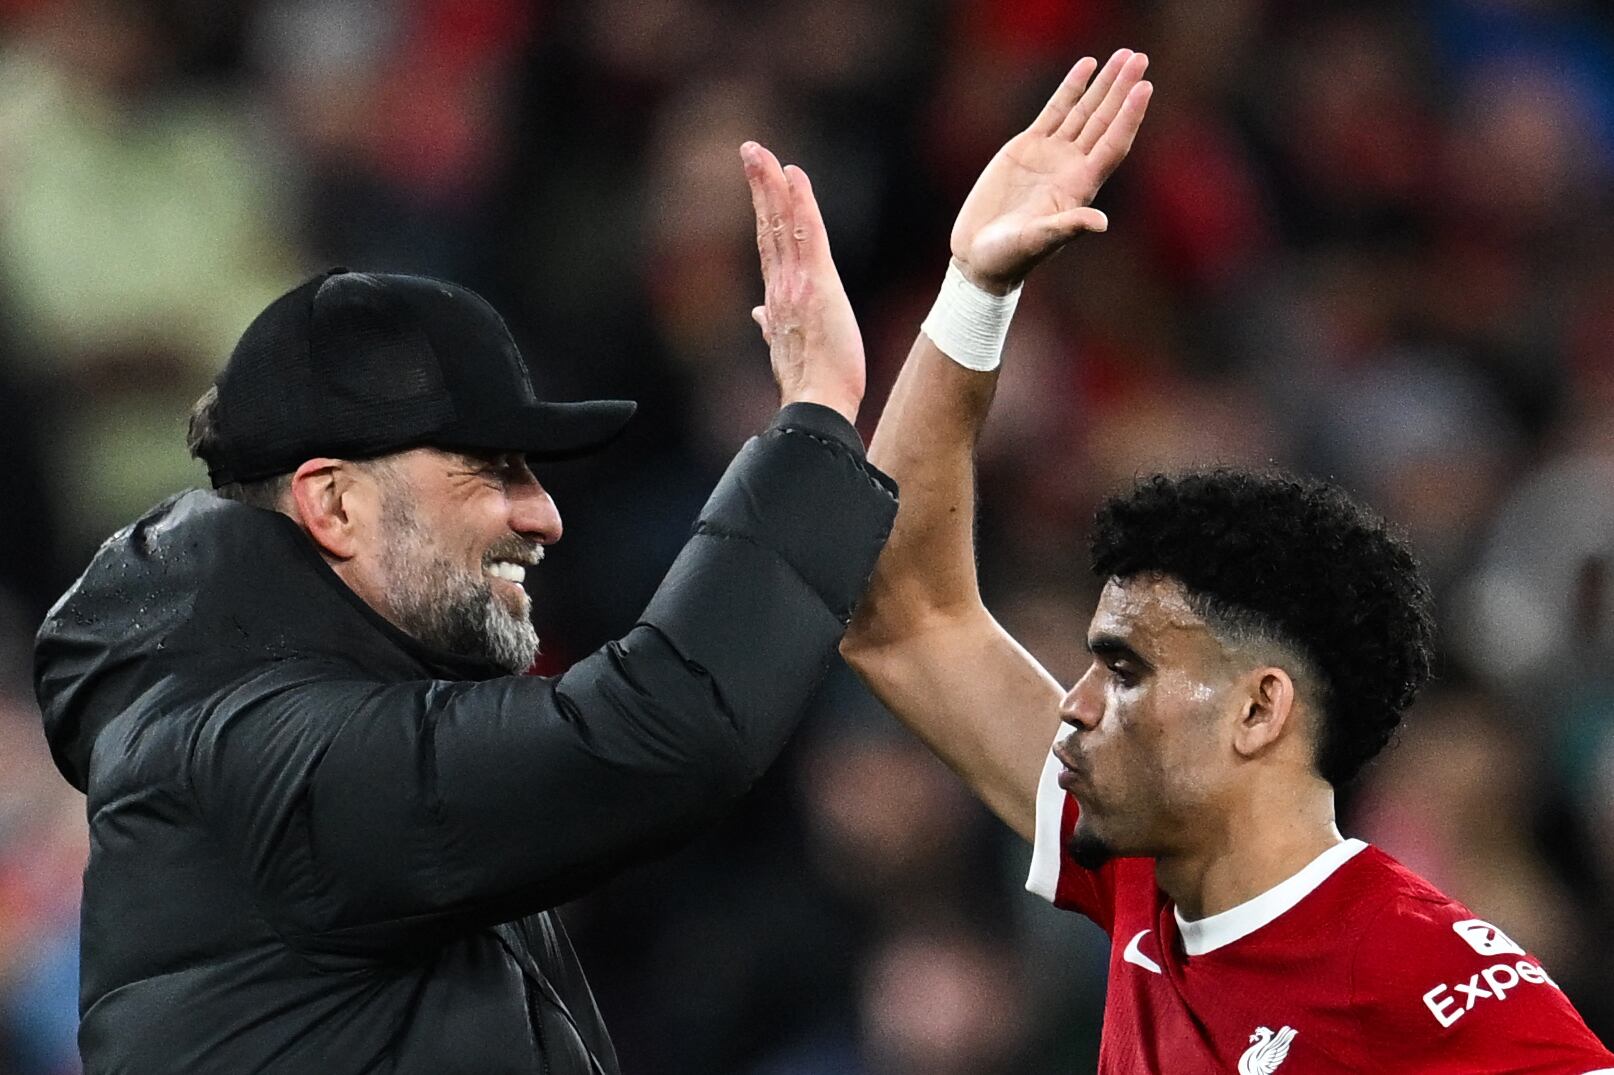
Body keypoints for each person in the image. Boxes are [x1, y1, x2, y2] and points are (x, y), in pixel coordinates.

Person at [826, 48, 1614, 1071]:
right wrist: (976, 290)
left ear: (1257, 709)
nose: (1075, 704)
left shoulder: (1435, 983)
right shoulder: (1143, 882)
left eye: (1125, 669)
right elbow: (903, 614)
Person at [32, 144, 894, 1074]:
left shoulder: (277, 729)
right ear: (334, 504)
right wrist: (816, 410)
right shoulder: (262, 757)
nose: (545, 513)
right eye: (491, 468)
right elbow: (664, 724)